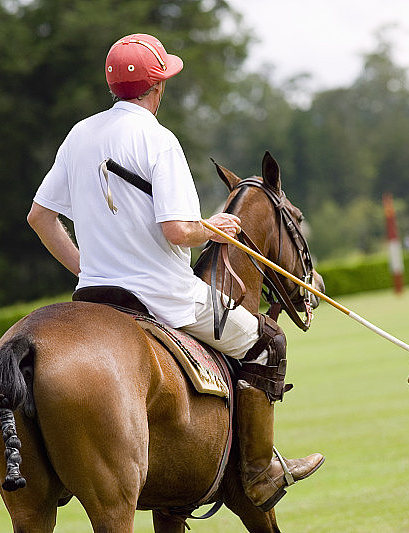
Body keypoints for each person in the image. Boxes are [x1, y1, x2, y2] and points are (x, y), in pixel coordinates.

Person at [27, 33, 323, 511]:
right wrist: (212, 228)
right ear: (158, 86)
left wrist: (86, 267)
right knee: (268, 341)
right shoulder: (158, 139)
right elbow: (177, 230)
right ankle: (259, 472)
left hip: (94, 296)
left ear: (113, 85)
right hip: (164, 296)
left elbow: (40, 217)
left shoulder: (79, 133)